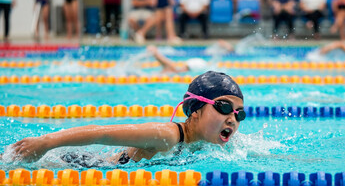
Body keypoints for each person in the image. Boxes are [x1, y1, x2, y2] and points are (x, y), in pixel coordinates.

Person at [8, 71, 246, 166]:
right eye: (224, 107)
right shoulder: (167, 135)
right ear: (195, 110)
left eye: (239, 113)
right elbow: (103, 132)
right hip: (85, 164)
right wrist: (45, 142)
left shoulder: (216, 145)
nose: (233, 119)